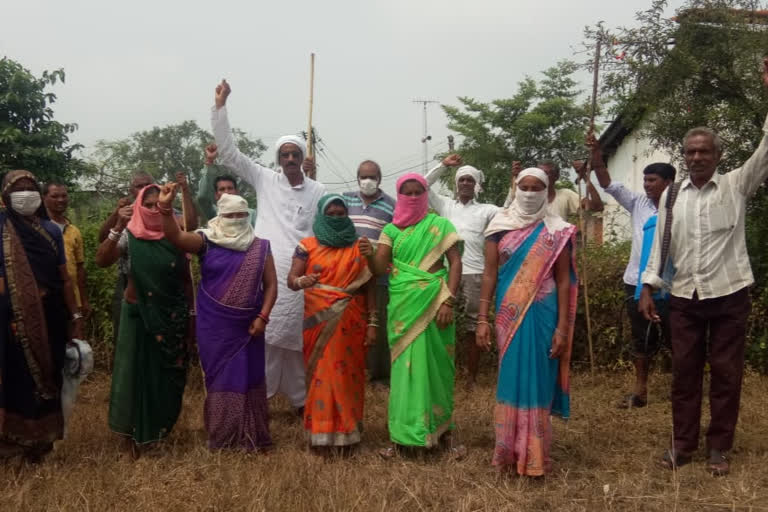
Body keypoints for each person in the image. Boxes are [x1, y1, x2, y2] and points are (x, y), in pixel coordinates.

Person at [640, 59, 768, 477]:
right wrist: (648, 285)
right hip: (684, 297)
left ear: (718, 155)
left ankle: (719, 448)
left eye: (704, 151)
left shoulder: (736, 184)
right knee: (684, 375)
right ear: (685, 155)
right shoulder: (671, 195)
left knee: (727, 375)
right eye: (690, 152)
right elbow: (662, 245)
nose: (696, 157)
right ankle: (682, 445)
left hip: (730, 293)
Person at [210, 79, 326, 415]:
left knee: (296, 340)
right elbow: (229, 153)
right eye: (285, 154)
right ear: (278, 158)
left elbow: (324, 227)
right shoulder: (264, 179)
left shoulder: (317, 190)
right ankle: (261, 397)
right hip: (266, 272)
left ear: (302, 157)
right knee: (266, 336)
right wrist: (220, 107)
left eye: (295, 154)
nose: (290, 158)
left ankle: (301, 401)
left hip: (301, 276)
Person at [160, 184, 277, 452]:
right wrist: (165, 209)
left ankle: (251, 436)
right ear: (220, 216)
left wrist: (263, 317)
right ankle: (224, 437)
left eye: (241, 215)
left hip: (250, 326)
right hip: (215, 325)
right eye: (230, 216)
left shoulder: (260, 247)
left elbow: (271, 285)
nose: (236, 220)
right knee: (222, 377)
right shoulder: (206, 240)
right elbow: (176, 237)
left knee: (249, 376)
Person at [476, 167, 577, 477]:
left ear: (548, 192)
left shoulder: (557, 230)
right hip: (509, 315)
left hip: (544, 315)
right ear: (515, 188)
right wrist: (482, 318)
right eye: (525, 186)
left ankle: (534, 455)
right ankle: (506, 452)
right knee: (511, 380)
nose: (530, 193)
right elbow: (490, 274)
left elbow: (563, 281)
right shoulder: (499, 226)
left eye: (537, 187)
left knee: (537, 381)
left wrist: (562, 328)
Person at [360, 173, 464, 458]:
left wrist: (448, 301)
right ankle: (403, 437)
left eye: (419, 192)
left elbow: (455, 263)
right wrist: (369, 255)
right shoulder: (391, 231)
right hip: (404, 307)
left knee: (437, 371)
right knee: (405, 373)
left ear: (426, 194)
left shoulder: (440, 225)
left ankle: (443, 434)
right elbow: (381, 269)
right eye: (408, 192)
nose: (414, 197)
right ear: (399, 195)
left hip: (436, 303)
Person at [95, 184, 193, 455]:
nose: (151, 209)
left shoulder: (174, 235)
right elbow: (101, 260)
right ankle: (131, 435)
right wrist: (117, 225)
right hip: (138, 314)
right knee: (133, 374)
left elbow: (186, 280)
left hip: (169, 316)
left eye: (156, 204)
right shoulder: (129, 235)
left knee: (165, 375)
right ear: (138, 205)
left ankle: (156, 432)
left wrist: (191, 317)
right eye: (147, 204)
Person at [586, 135, 675, 408]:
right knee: (641, 338)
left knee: (677, 338)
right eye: (645, 180)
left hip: (672, 284)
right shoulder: (637, 203)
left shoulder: (680, 207)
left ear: (668, 183)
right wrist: (597, 153)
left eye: (653, 181)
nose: (647, 185)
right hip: (636, 283)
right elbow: (606, 182)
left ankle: (681, 390)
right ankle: (640, 391)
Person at [0, 170, 83, 461]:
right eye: (18, 189)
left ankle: (40, 444)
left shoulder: (51, 231)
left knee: (47, 379)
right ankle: (9, 443)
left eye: (30, 188)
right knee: (13, 379)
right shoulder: (1, 228)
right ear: (6, 196)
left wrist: (75, 316)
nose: (26, 194)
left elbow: (65, 279)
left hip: (50, 320)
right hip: (7, 321)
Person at [287, 194, 376, 453]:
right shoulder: (307, 245)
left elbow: (370, 286)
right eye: (331, 214)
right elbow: (291, 279)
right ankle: (321, 435)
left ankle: (348, 434)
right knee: (322, 375)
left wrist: (373, 322)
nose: (336, 218)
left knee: (347, 376)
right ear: (321, 215)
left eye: (341, 214)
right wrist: (300, 282)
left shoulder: (360, 246)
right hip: (318, 320)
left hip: (351, 322)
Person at [424, 154, 499, 388]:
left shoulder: (487, 210)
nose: (465, 183)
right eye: (462, 180)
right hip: (444, 273)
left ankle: (471, 377)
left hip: (475, 273)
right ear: (456, 183)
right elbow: (422, 185)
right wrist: (443, 166)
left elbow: (510, 213)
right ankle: (442, 372)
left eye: (470, 180)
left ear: (477, 185)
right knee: (438, 321)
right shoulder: (445, 205)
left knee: (472, 325)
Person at [98, 171, 197, 347]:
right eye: (139, 186)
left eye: (157, 205)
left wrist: (185, 189)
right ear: (131, 190)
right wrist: (118, 220)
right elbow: (103, 251)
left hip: (169, 294)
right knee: (131, 345)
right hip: (133, 290)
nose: (153, 210)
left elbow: (190, 225)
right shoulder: (127, 223)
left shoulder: (169, 218)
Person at [342, 160, 395, 386]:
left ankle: (379, 375)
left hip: (378, 272)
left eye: (372, 177)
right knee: (348, 319)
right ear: (357, 178)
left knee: (378, 322)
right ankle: (349, 367)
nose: (368, 181)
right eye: (364, 176)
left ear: (380, 179)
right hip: (348, 273)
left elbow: (395, 237)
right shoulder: (345, 200)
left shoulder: (391, 205)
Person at [43, 182, 91, 319]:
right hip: (47, 297)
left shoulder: (74, 230)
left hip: (73, 299)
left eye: (64, 196)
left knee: (75, 337)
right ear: (44, 198)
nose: (60, 200)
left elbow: (80, 268)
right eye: (55, 196)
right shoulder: (37, 228)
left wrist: (83, 299)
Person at [504, 160, 604, 220]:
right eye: (540, 173)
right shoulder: (526, 196)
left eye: (548, 173)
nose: (543, 177)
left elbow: (597, 206)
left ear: (556, 176)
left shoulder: (566, 195)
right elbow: (507, 210)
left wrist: (584, 175)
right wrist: (516, 177)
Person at [196, 143, 257, 227]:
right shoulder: (215, 213)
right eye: (222, 189)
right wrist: (209, 161)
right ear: (216, 195)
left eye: (230, 188)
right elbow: (202, 197)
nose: (227, 192)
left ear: (236, 192)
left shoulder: (252, 214)